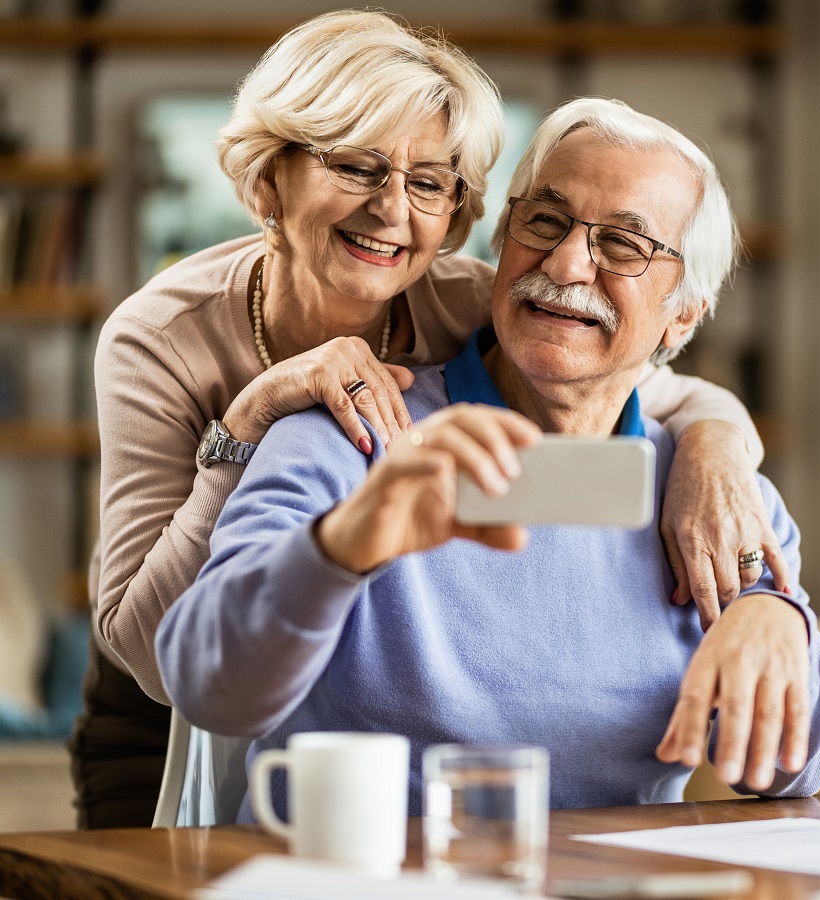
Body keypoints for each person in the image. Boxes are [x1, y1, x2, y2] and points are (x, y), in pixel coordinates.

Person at [71, 10, 784, 828]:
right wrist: (249, 418)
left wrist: (719, 457)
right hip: (160, 663)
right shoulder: (159, 334)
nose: (390, 211)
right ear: (270, 178)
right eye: (356, 166)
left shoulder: (475, 299)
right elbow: (155, 661)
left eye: (427, 182)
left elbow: (636, 381)